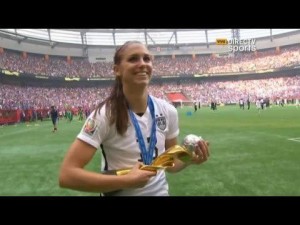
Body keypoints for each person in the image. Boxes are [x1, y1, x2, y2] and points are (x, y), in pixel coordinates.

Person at [58, 41, 210, 196]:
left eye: (147, 58)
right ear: (117, 70)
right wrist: (127, 180)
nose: (142, 64)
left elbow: (170, 163)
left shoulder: (168, 111)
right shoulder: (105, 115)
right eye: (133, 59)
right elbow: (67, 175)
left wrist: (189, 159)